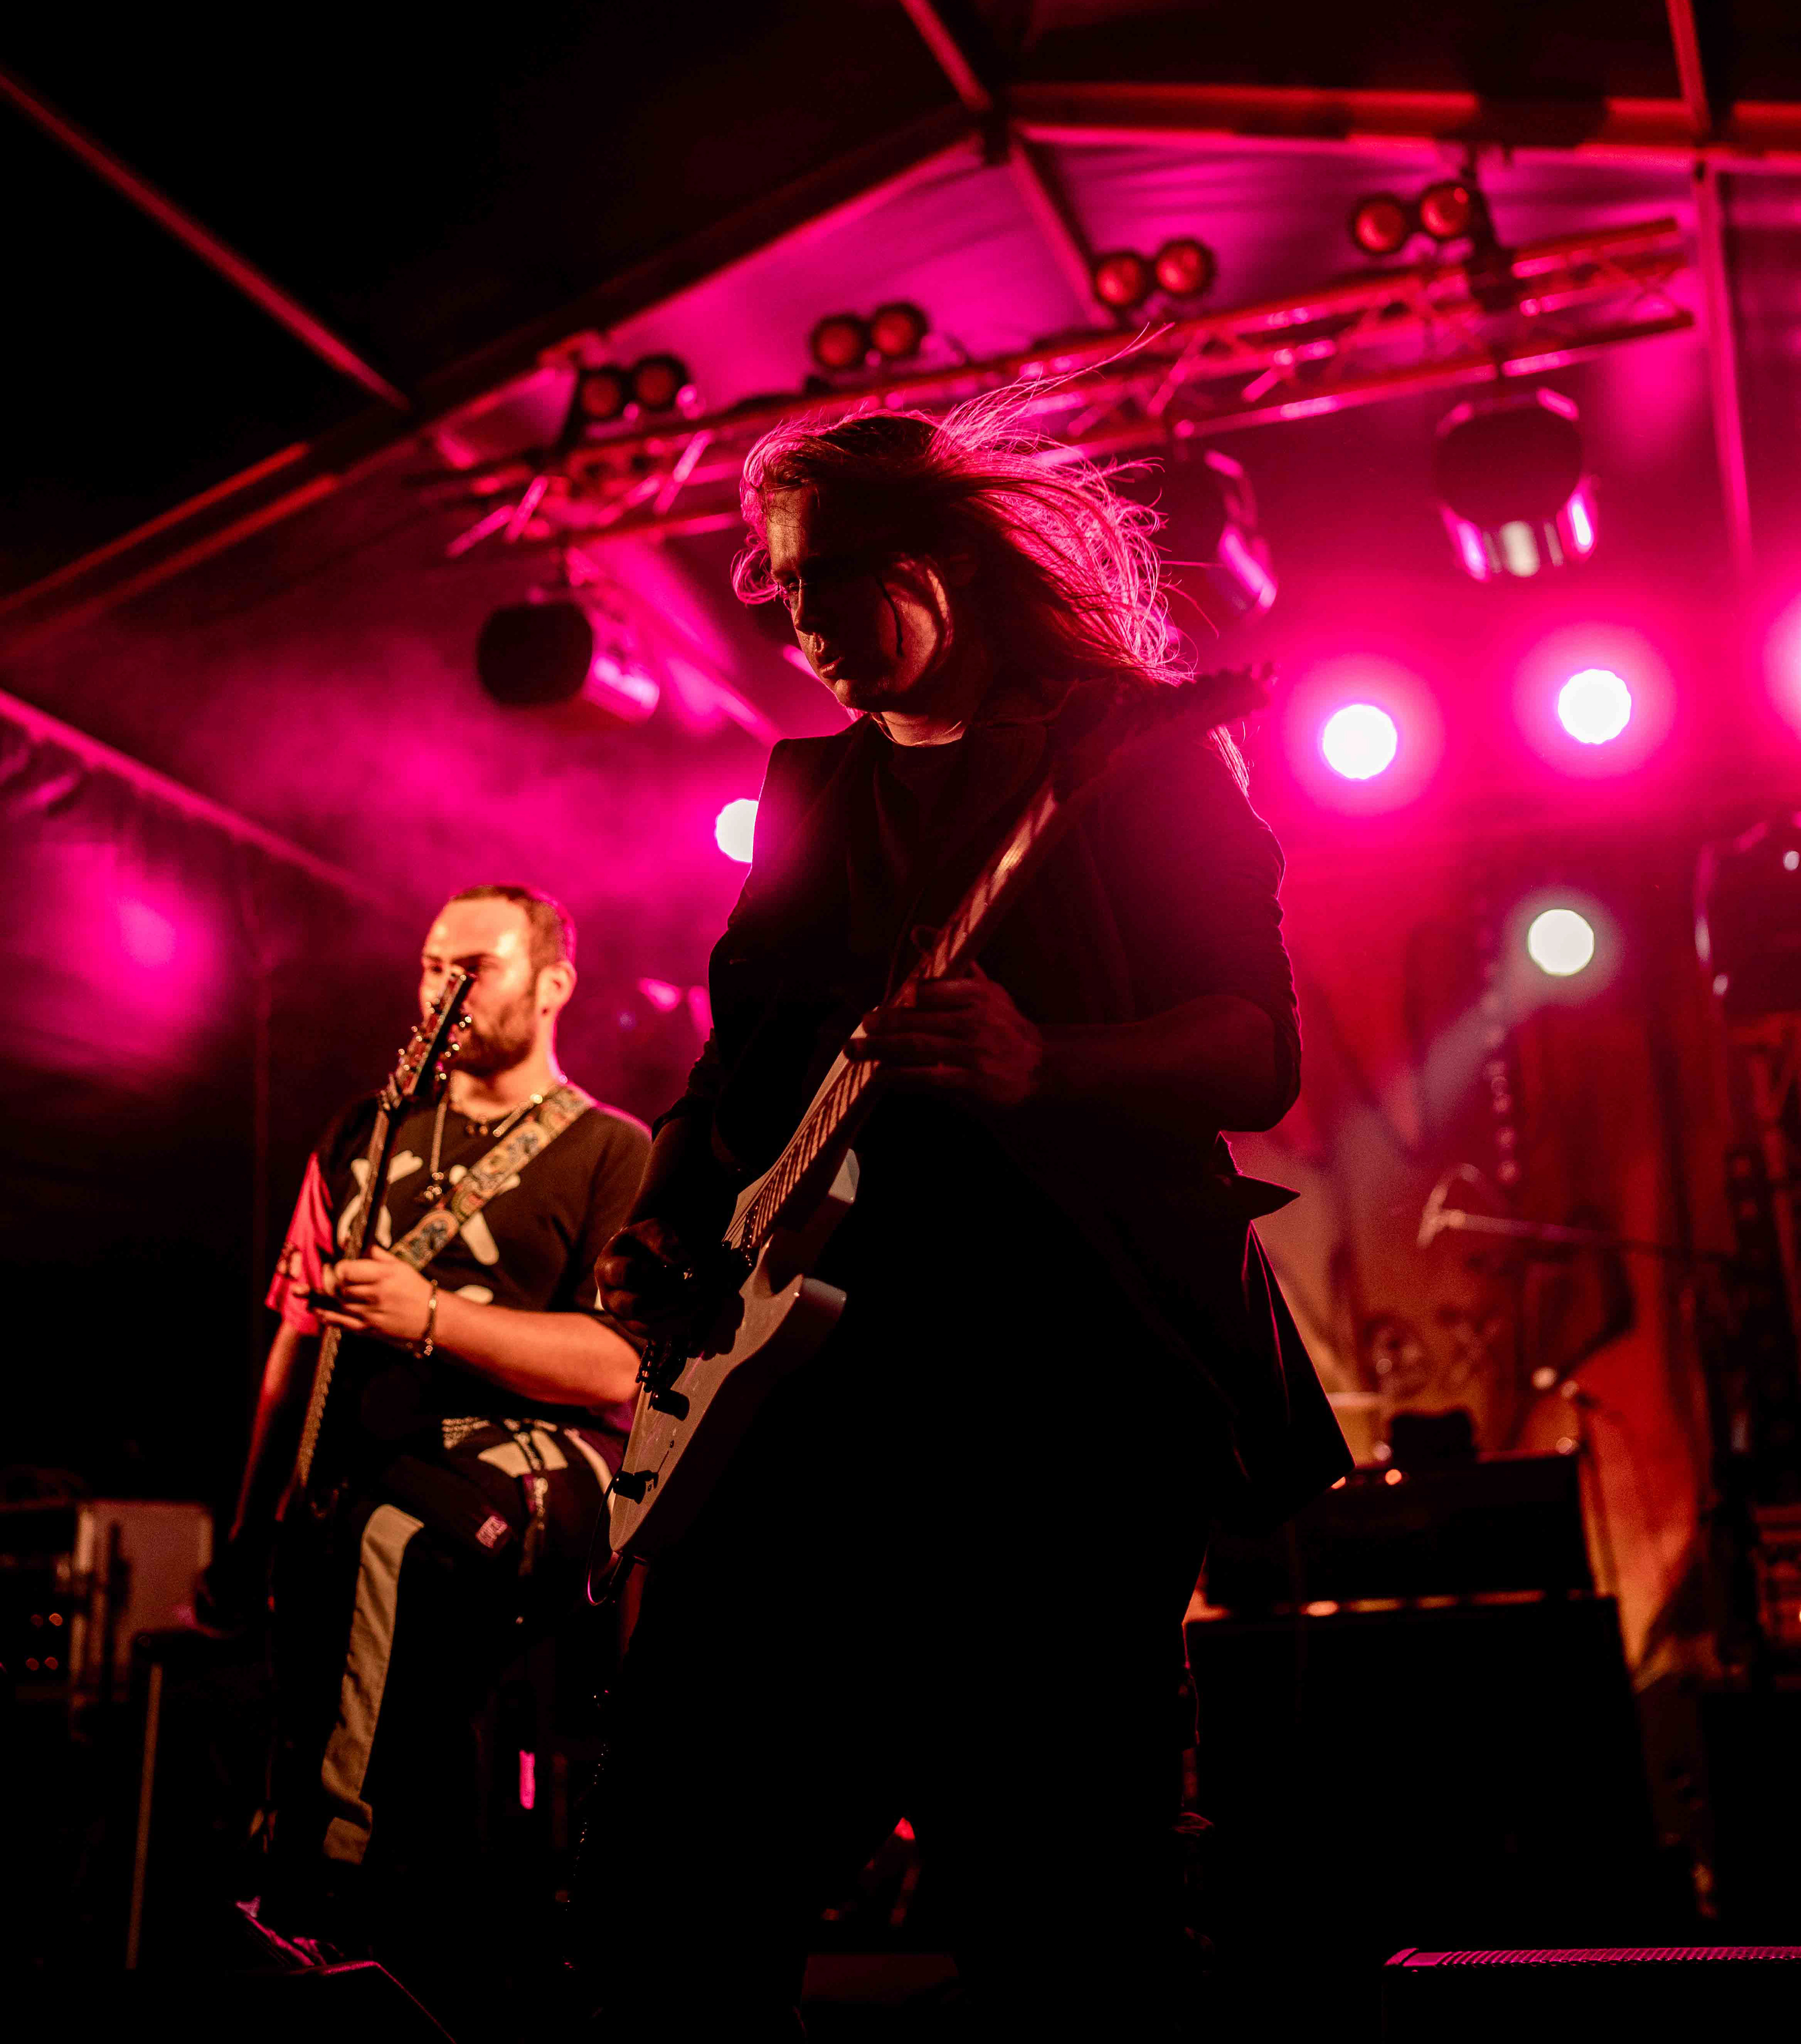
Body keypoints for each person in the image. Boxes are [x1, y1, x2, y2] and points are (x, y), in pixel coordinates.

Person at [587, 400, 1350, 2040]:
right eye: (780, 591)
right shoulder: (809, 787)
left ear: (939, 563)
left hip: (1062, 1385)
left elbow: (1258, 1049)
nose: (799, 625)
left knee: (1062, 1889)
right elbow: (737, 1063)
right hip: (801, 1407)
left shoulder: (1138, 754)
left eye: (828, 581)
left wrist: (1043, 1060)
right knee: (677, 1863)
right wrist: (661, 1213)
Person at [204, 883, 649, 1945]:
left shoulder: (615, 1151)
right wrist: (252, 1529)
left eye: (475, 969)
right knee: (334, 1545)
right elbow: (296, 1338)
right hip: (376, 1461)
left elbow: (622, 1368)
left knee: (392, 1538)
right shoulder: (362, 1132)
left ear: (553, 986)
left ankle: (334, 1884)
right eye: (432, 967)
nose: (444, 991)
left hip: (545, 1465)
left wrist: (436, 1319)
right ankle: (374, 1890)